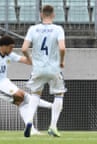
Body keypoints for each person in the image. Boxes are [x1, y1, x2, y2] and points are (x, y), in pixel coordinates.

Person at [0, 35, 52, 136]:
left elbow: (28, 61)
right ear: (3, 46)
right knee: (21, 95)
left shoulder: (9, 55)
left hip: (5, 82)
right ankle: (51, 106)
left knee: (22, 102)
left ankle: (32, 129)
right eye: (10, 47)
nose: (12, 49)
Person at [21, 5, 67, 137]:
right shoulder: (58, 29)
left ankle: (29, 121)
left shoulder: (33, 29)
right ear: (53, 15)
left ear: (41, 15)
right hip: (53, 68)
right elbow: (62, 48)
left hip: (38, 68)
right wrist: (62, 61)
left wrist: (31, 60)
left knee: (35, 94)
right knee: (59, 95)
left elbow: (24, 48)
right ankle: (53, 126)